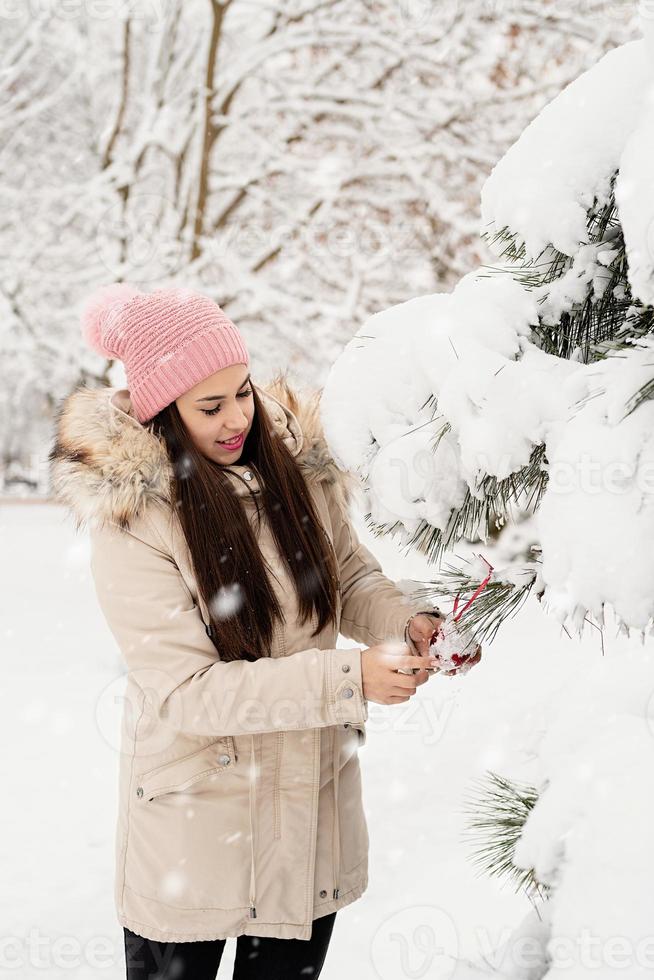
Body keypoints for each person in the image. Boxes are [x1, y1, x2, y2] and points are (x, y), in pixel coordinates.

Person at [48, 283, 452, 979]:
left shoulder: (297, 468)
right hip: (194, 823)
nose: (237, 416)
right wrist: (351, 678)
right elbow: (190, 693)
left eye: (242, 391)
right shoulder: (135, 517)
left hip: (306, 807)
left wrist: (405, 621)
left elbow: (346, 577)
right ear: (162, 410)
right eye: (209, 406)